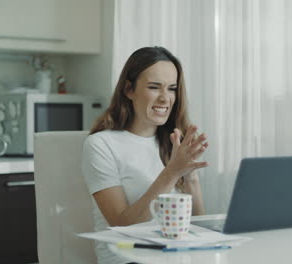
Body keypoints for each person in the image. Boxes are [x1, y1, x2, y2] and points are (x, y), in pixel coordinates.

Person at [82, 46, 209, 264]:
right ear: (128, 90)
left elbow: (198, 227)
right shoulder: (101, 144)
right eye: (154, 87)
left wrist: (190, 177)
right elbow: (123, 226)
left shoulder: (176, 142)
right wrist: (172, 172)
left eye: (172, 89)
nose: (165, 98)